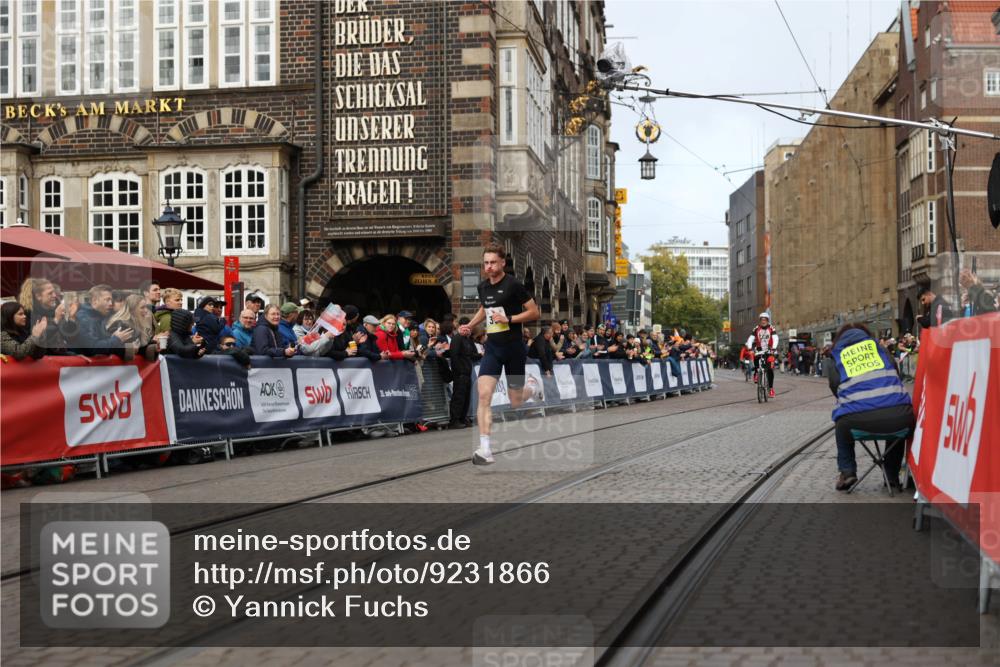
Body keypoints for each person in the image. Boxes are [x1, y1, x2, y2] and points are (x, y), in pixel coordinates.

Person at [459, 244, 540, 465]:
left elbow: (534, 311)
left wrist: (511, 319)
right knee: (484, 393)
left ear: (503, 263)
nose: (489, 267)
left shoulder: (513, 285)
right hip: (493, 347)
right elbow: (485, 310)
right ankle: (485, 448)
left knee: (515, 401)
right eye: (486, 263)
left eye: (493, 262)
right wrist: (471, 326)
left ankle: (532, 388)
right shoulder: (483, 287)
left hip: (514, 348)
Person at [826, 323, 914, 491]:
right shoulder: (881, 349)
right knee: (897, 425)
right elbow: (895, 373)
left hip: (858, 420)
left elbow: (834, 385)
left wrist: (856, 401)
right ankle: (892, 476)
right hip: (901, 418)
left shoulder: (836, 355)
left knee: (841, 424)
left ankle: (847, 471)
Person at [70, 285, 132, 356]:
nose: (111, 304)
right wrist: (116, 339)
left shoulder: (99, 316)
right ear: (95, 301)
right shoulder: (84, 318)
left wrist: (112, 338)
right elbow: (94, 348)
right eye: (107, 300)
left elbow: (102, 343)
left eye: (111, 300)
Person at [446, 316, 481, 429]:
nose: (467, 330)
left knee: (466, 397)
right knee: (459, 397)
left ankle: (462, 417)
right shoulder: (457, 339)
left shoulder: (467, 340)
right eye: (465, 327)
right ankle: (454, 420)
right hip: (460, 373)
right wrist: (458, 371)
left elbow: (470, 355)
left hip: (467, 372)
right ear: (460, 327)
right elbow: (454, 356)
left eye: (469, 328)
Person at [107, 294, 158, 362]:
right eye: (142, 307)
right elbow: (111, 349)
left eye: (146, 307)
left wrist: (154, 346)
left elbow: (139, 347)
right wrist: (129, 349)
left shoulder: (137, 325)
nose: (146, 310)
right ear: (132, 309)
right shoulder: (121, 324)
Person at [745, 312, 779, 398]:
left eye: (765, 320)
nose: (763, 321)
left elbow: (775, 338)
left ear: (767, 320)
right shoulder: (756, 328)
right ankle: (756, 373)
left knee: (770, 369)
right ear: (760, 321)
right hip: (759, 349)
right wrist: (749, 348)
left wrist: (774, 348)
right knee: (756, 358)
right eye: (762, 320)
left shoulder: (771, 328)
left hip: (769, 350)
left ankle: (770, 389)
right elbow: (751, 338)